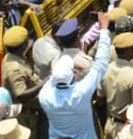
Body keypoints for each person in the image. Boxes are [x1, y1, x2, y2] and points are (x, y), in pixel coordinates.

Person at [38, 11, 112, 139]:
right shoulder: (84, 74)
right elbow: (101, 65)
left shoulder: (55, 64)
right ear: (78, 37)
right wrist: (104, 30)